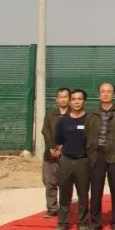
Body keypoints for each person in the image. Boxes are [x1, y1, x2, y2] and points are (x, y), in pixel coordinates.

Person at [85, 83, 115, 230]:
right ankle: (95, 223)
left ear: (114, 94)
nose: (105, 94)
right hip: (97, 155)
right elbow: (86, 135)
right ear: (98, 94)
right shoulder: (91, 115)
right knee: (96, 190)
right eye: (103, 91)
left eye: (109, 91)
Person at [53, 89, 91, 230]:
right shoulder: (63, 121)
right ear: (70, 101)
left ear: (84, 101)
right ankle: (63, 222)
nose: (76, 102)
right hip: (66, 161)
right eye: (73, 99)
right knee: (64, 193)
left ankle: (83, 222)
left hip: (83, 161)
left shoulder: (89, 119)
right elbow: (58, 141)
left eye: (79, 99)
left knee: (83, 194)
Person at [41, 88, 69, 218]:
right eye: (60, 97)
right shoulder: (50, 115)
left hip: (68, 155)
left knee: (65, 183)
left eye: (65, 97)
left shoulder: (74, 115)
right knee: (49, 182)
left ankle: (65, 208)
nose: (63, 99)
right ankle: (52, 208)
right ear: (57, 99)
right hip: (50, 154)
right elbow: (46, 132)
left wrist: (62, 148)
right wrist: (52, 147)